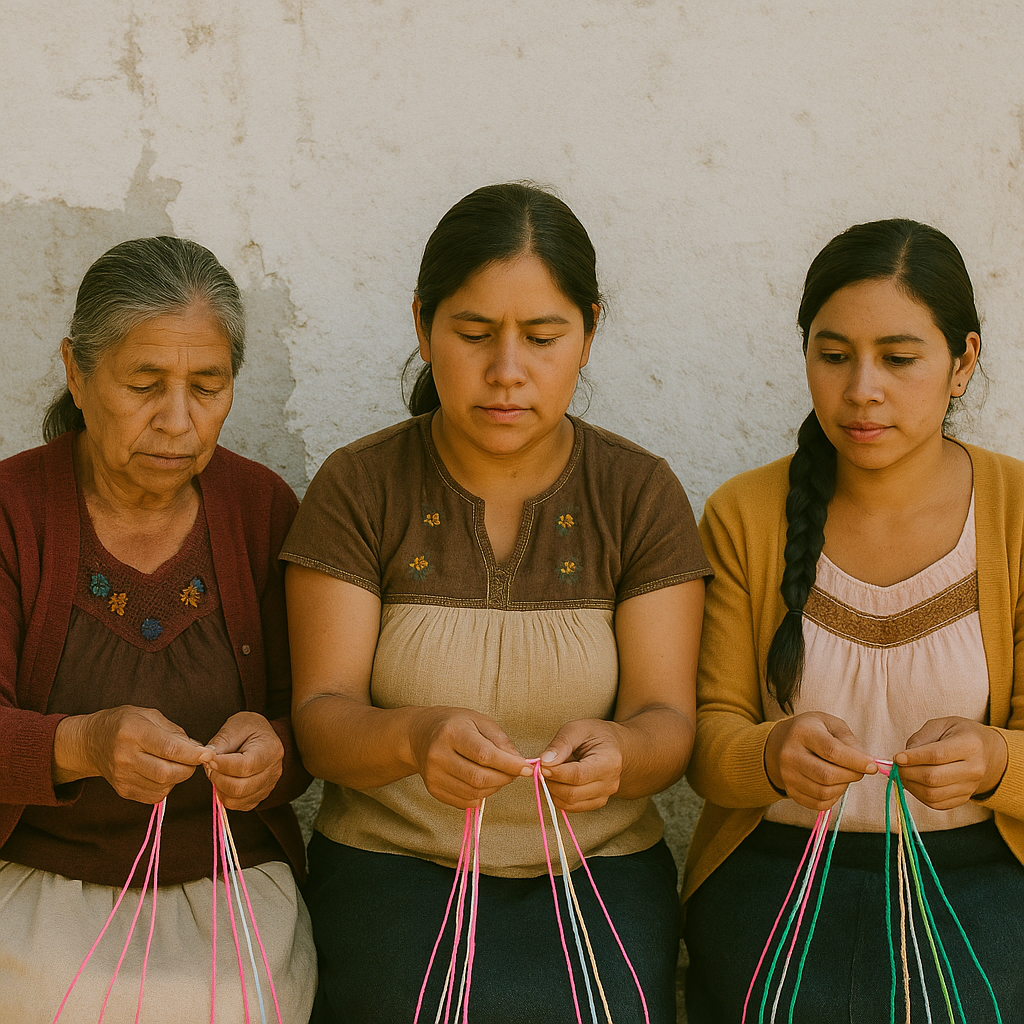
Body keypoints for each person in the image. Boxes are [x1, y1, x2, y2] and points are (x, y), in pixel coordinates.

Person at [283, 182, 710, 1024]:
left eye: (543, 337)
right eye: (473, 334)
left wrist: (625, 750)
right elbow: (322, 720)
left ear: (588, 333)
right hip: (392, 865)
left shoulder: (638, 492)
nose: (507, 371)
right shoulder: (360, 486)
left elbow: (669, 720)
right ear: (421, 326)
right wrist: (413, 737)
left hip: (599, 866)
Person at [682, 219, 1024, 1021]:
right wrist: (769, 754)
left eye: (898, 359)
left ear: (962, 361)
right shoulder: (746, 513)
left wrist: (994, 760)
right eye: (833, 356)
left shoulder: (1016, 514)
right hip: (775, 868)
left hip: (985, 873)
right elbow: (700, 737)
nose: (862, 388)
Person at [0, 236, 317, 1022]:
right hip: (41, 887)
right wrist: (83, 742)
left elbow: (319, 718)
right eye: (145, 384)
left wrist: (274, 747)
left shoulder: (260, 511)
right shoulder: (14, 514)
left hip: (231, 884)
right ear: (77, 372)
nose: (178, 420)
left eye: (207, 386)